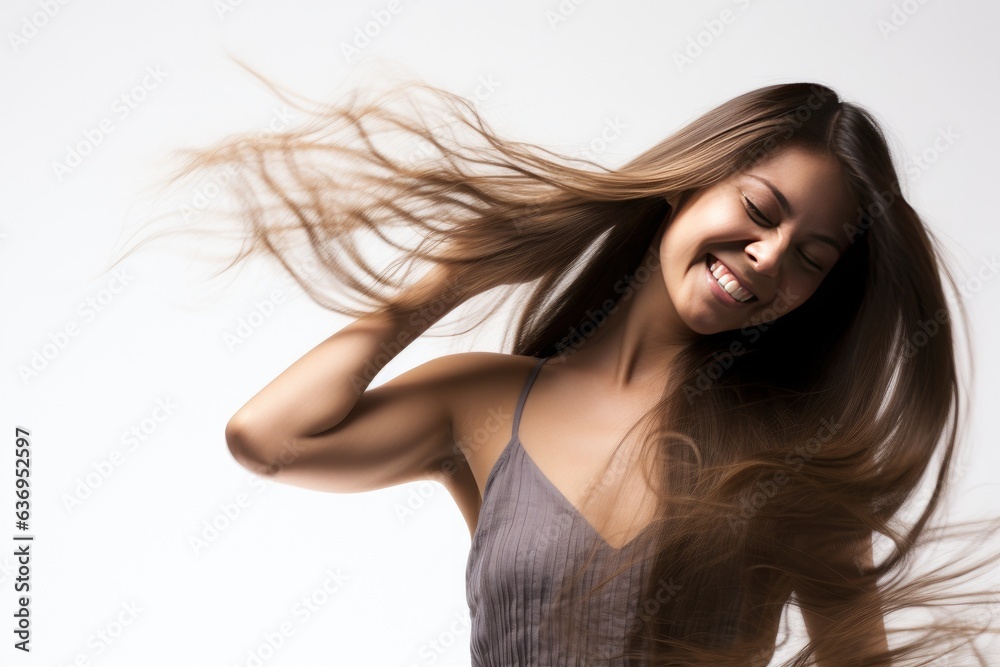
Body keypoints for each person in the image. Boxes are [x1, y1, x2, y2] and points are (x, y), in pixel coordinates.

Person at [123, 68, 1000, 665]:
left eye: (811, 256)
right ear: (688, 183)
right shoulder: (482, 401)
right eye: (759, 209)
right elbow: (268, 437)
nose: (769, 257)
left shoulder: (799, 458)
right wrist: (451, 277)